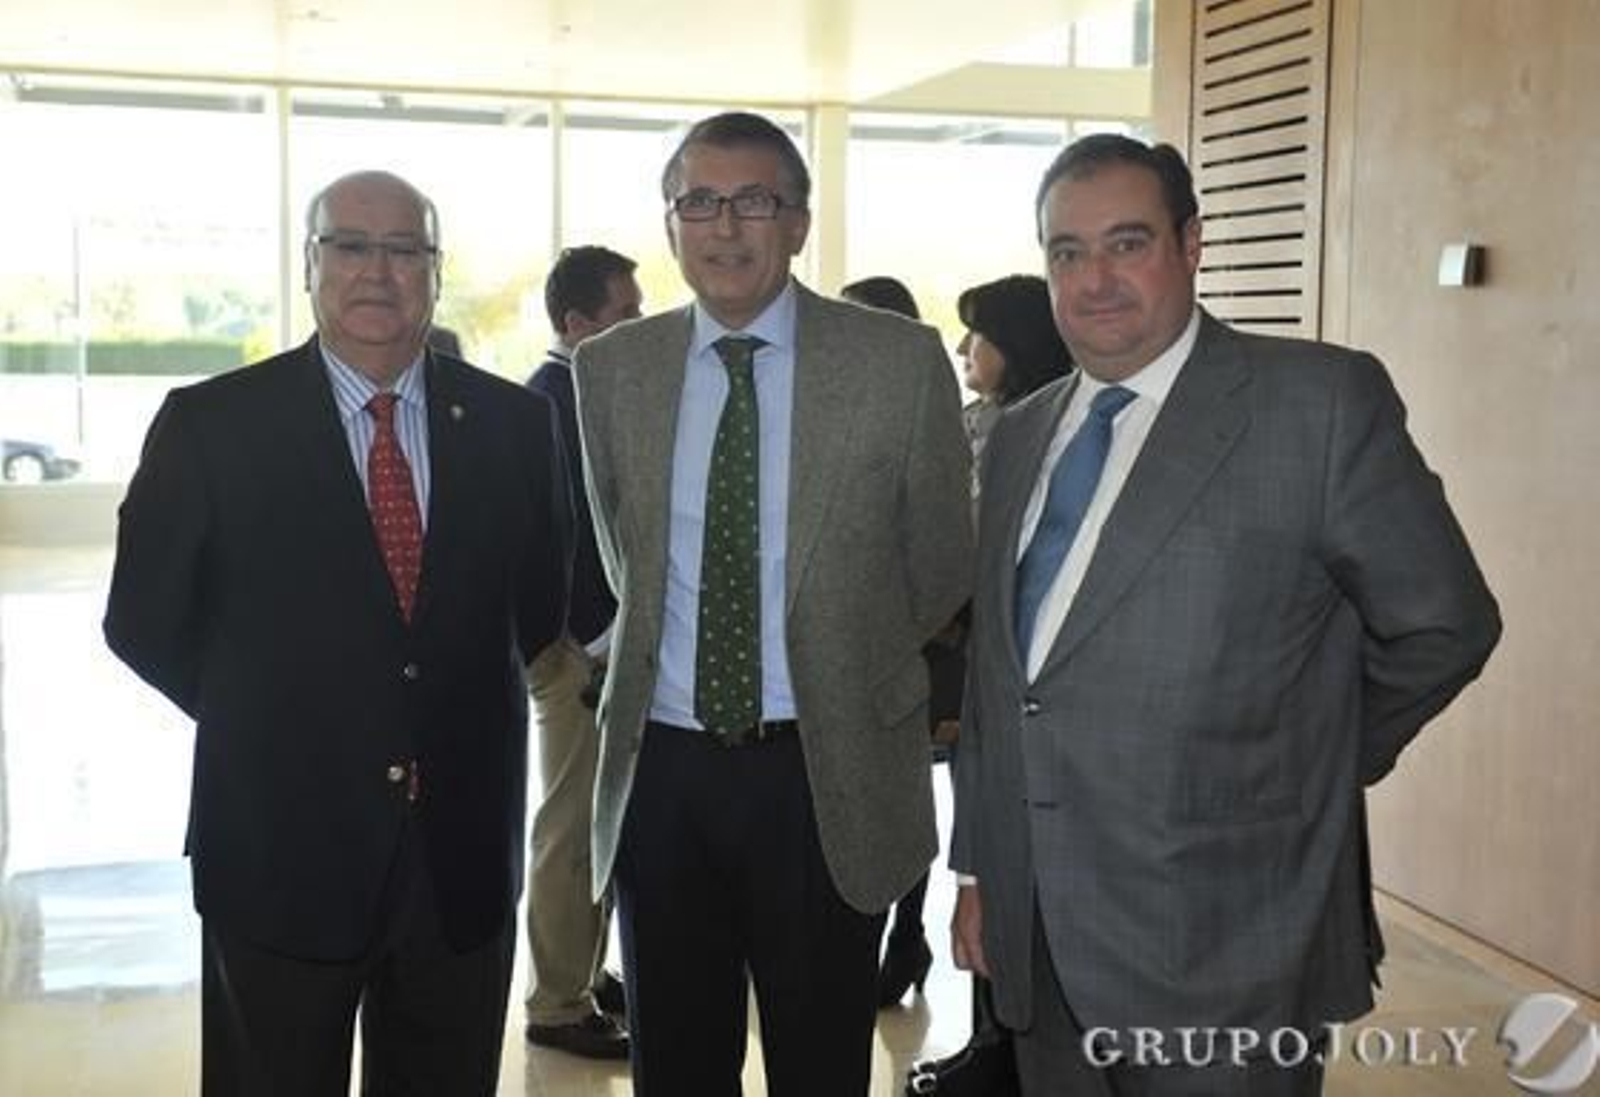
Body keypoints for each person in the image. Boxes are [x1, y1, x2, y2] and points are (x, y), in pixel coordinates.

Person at [950, 134, 1502, 1096]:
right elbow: (1000, 680)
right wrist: (979, 871)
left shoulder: (1316, 403)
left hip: (1231, 930)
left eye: (1127, 243)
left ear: (1191, 243)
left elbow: (1442, 623)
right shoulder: (1021, 433)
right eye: (1068, 252)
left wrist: (1305, 756)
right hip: (1040, 932)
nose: (1094, 280)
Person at [103, 170, 573, 1096]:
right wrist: (271, 710)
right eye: (350, 246)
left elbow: (535, 608)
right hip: (279, 846)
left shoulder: (516, 425)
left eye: (404, 250)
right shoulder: (213, 425)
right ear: (310, 263)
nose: (377, 271)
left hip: (457, 859)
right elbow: (144, 620)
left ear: (435, 271)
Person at [574, 111, 973, 1096]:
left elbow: (939, 562)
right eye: (699, 202)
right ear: (670, 224)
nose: (724, 225)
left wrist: (844, 648)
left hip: (826, 768)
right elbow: (625, 555)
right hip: (662, 770)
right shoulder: (612, 369)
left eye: (753, 200)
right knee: (675, 1061)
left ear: (797, 221)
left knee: (820, 1058)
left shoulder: (896, 361)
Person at [522, 244, 642, 1060]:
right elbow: (557, 533)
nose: (640, 325)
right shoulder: (551, 400)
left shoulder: (582, 390)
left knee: (600, 819)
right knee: (572, 825)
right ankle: (559, 1002)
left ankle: (584, 971)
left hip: (597, 641)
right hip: (578, 649)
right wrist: (597, 637)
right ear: (577, 323)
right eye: (625, 314)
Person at [838, 274, 940, 1009]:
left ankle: (905, 933)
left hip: (905, 645)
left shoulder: (914, 410)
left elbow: (939, 550)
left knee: (900, 806)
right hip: (851, 655)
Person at [956, 274, 1075, 498]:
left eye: (975, 333)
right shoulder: (970, 422)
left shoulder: (1042, 439)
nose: (961, 348)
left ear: (1015, 340)